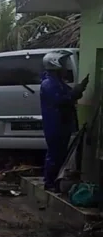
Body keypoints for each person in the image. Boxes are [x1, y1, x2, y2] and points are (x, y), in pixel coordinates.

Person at [40, 51, 89, 192]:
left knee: (60, 154)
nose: (65, 68)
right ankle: (49, 183)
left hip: (62, 123)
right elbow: (62, 100)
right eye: (62, 64)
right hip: (55, 124)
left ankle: (54, 181)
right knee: (55, 154)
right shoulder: (49, 83)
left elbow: (69, 95)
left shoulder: (57, 82)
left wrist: (78, 89)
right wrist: (77, 91)